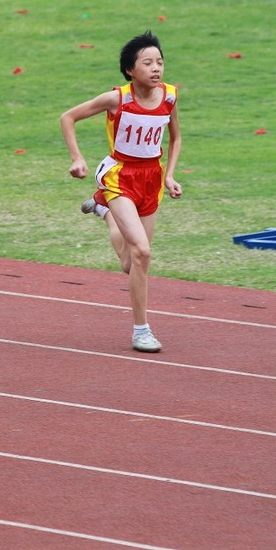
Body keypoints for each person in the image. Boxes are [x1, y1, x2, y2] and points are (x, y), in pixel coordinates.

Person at [59, 30, 182, 353]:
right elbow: (68, 117)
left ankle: (103, 212)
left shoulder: (169, 96)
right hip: (119, 177)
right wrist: (77, 158)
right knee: (142, 251)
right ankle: (141, 330)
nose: (156, 68)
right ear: (130, 69)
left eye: (160, 62)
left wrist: (169, 176)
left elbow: (176, 138)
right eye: (148, 63)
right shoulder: (117, 99)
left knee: (131, 263)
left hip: (150, 180)